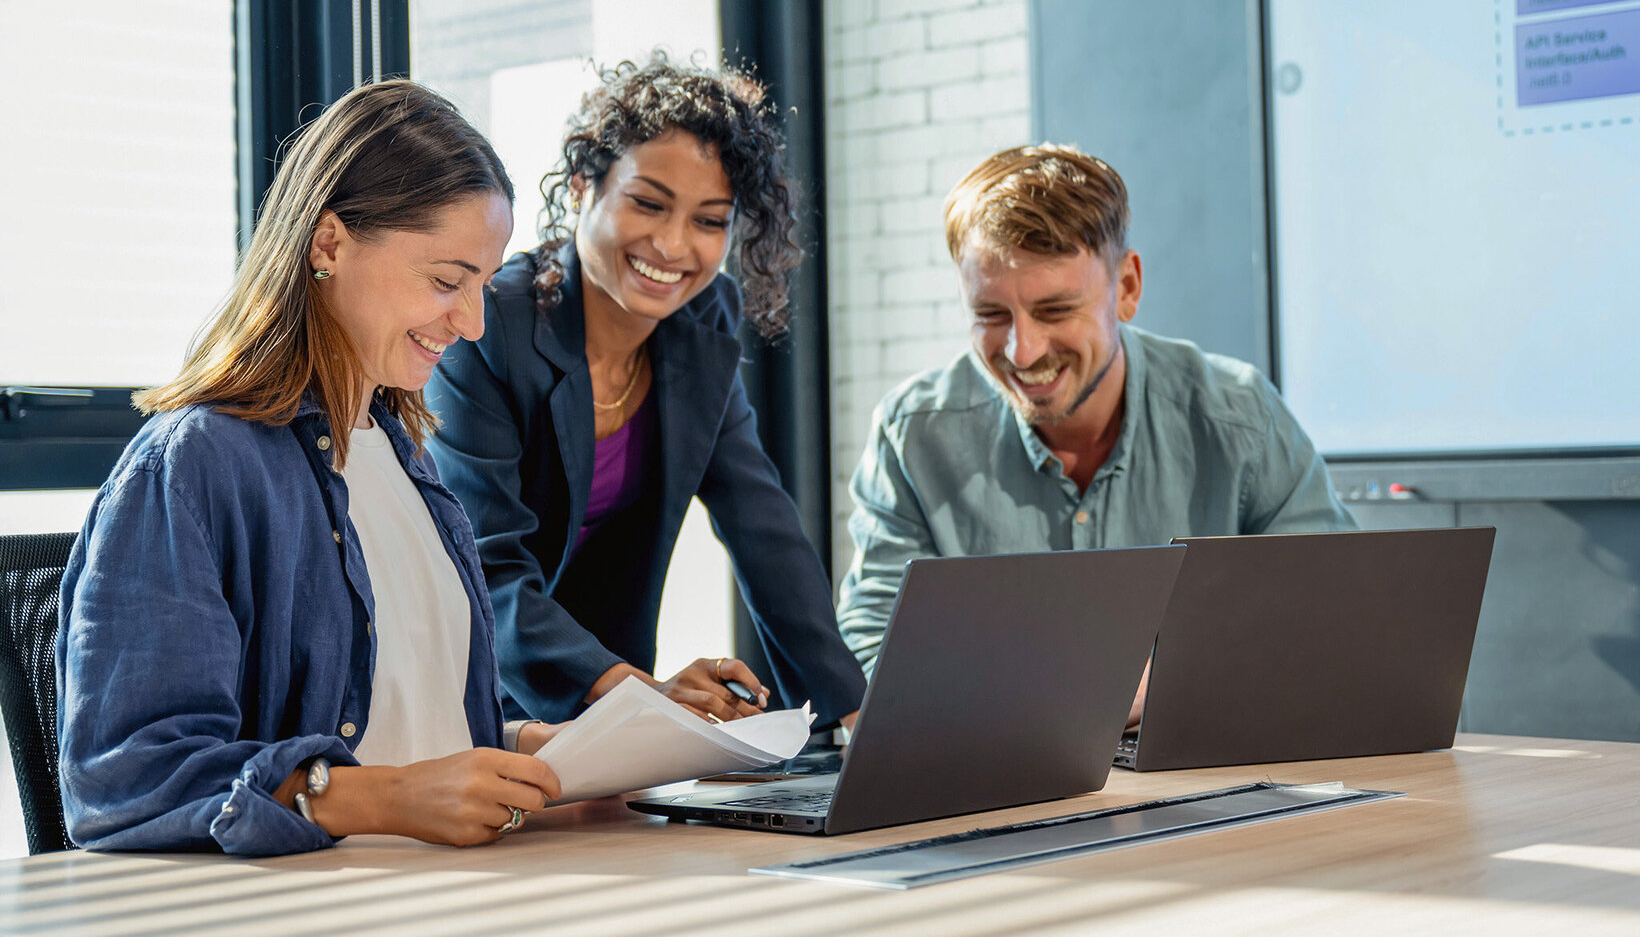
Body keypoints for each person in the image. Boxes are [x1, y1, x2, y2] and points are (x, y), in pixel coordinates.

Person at [59, 81, 563, 855]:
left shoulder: (405, 460)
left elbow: (419, 717)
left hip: (455, 894)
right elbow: (127, 779)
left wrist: (562, 756)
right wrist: (386, 798)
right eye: (444, 280)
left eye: (481, 287)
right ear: (327, 244)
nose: (473, 323)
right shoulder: (193, 467)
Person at [836, 144, 1358, 721]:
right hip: (1003, 783)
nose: (1022, 350)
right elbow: (871, 650)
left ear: (1127, 288)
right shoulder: (913, 436)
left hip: (1214, 778)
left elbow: (1334, 619)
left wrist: (1148, 691)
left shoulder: (1238, 419)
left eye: (1056, 311)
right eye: (991, 316)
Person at [427, 51, 865, 729]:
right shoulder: (489, 329)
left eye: (710, 219)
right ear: (581, 187)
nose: (672, 245)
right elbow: (487, 567)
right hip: (466, 700)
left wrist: (852, 714)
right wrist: (639, 694)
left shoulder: (703, 321)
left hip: (605, 714)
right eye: (648, 204)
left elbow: (762, 526)